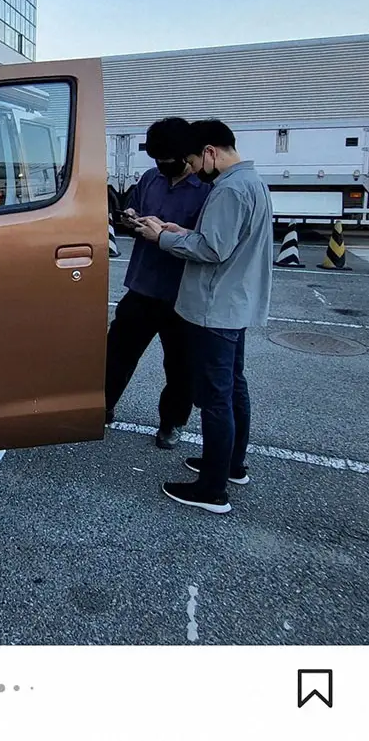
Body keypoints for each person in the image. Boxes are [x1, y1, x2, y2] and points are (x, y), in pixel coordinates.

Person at [134, 119, 273, 514]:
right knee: (233, 387)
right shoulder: (252, 182)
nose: (194, 169)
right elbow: (220, 239)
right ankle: (231, 466)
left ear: (210, 151)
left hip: (215, 308)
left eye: (195, 161)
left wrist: (161, 237)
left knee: (215, 398)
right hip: (235, 303)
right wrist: (179, 229)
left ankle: (212, 489)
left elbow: (212, 249)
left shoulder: (228, 189)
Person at [105, 117, 211, 448]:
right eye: (157, 161)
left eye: (168, 161)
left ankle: (172, 423)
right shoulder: (151, 178)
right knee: (117, 353)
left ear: (185, 155)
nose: (161, 167)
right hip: (142, 285)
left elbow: (208, 243)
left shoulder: (207, 189)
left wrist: (163, 233)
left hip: (182, 294)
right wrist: (131, 216)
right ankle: (102, 406)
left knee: (181, 366)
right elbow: (135, 206)